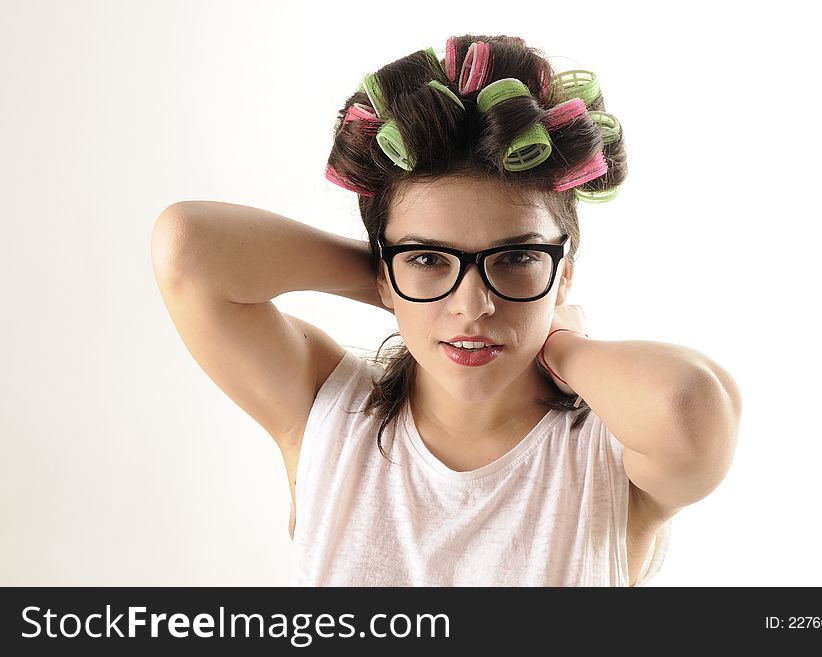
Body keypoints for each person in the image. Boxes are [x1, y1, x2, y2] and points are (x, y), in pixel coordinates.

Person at [151, 34, 740, 586]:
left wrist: (558, 341)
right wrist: (403, 287)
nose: (473, 307)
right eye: (428, 258)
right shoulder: (325, 415)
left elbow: (687, 404)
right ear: (384, 269)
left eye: (515, 257)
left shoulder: (606, 456)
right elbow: (189, 247)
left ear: (564, 272)